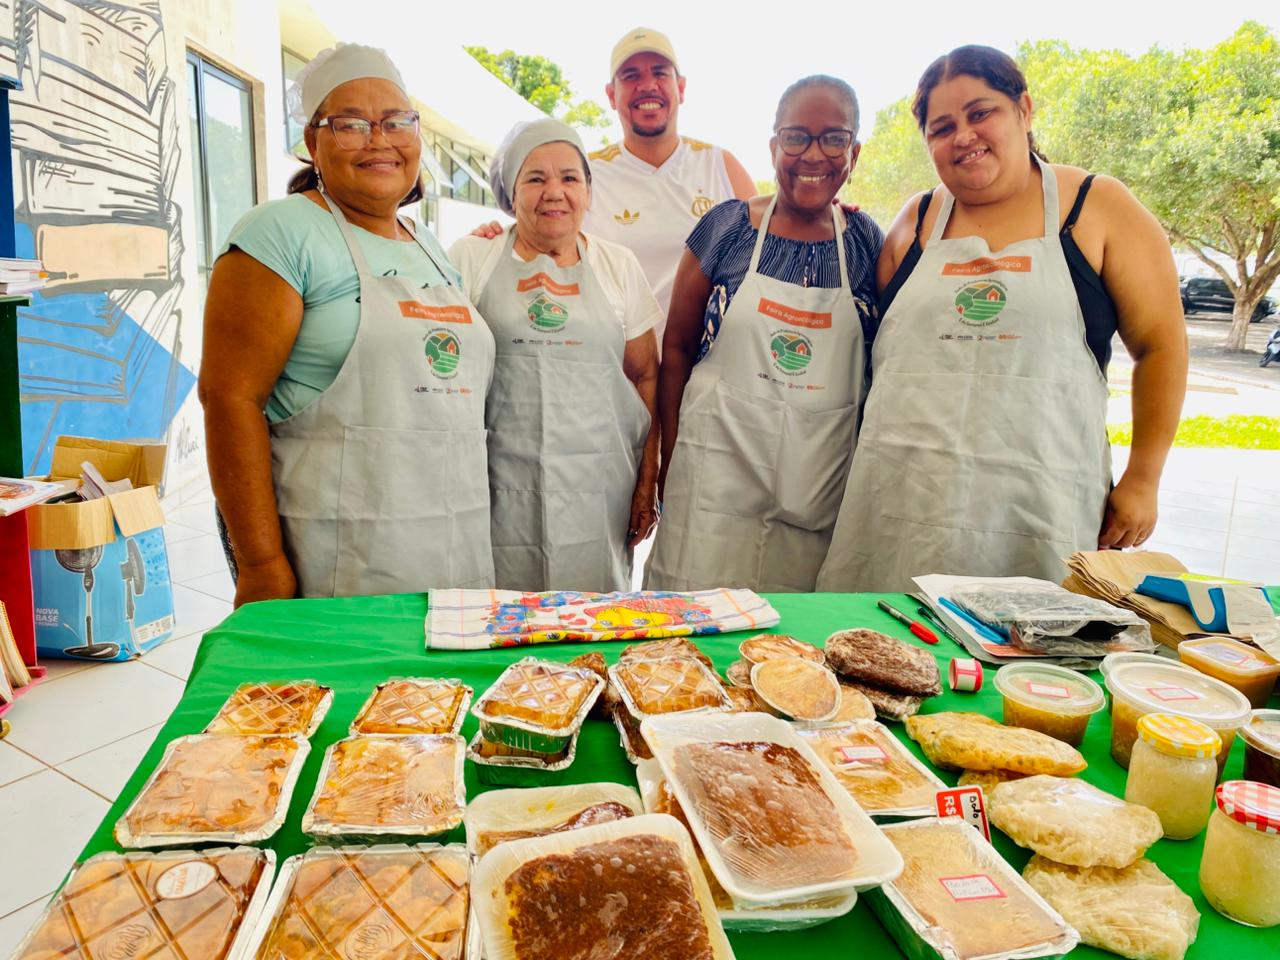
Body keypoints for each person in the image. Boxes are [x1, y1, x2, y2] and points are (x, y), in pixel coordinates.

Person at [817, 45, 1187, 593]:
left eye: (980, 112)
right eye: (942, 127)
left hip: (1038, 506)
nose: (963, 135)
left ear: (1024, 110)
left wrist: (1142, 480)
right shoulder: (913, 222)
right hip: (901, 501)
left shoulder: (1098, 206)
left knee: (1031, 662)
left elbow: (1162, 347)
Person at [200, 43, 496, 605]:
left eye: (395, 122)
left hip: (454, 550)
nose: (378, 139)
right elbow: (229, 399)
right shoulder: (279, 233)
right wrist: (261, 563)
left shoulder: (429, 244)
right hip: (340, 556)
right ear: (313, 143)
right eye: (351, 124)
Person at [646, 76, 883, 592]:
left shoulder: (866, 241)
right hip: (713, 482)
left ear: (855, 152)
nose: (812, 155)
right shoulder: (726, 228)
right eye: (796, 137)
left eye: (834, 138)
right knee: (689, 630)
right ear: (774, 145)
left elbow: (881, 364)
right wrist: (671, 457)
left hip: (816, 491)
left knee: (789, 650)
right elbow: (679, 347)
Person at [448, 119, 661, 592]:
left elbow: (646, 376)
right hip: (496, 487)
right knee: (502, 616)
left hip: (601, 489)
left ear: (587, 190)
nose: (555, 192)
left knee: (593, 619)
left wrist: (648, 482)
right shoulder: (471, 259)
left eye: (570, 178)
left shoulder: (618, 266)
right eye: (535, 178)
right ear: (510, 192)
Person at [583, 27, 755, 329]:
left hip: (704, 368)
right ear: (611, 95)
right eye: (631, 76)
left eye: (660, 73)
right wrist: (489, 237)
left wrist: (819, 208)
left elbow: (774, 244)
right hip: (616, 369)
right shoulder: (585, 174)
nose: (647, 85)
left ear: (681, 87)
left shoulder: (721, 165)